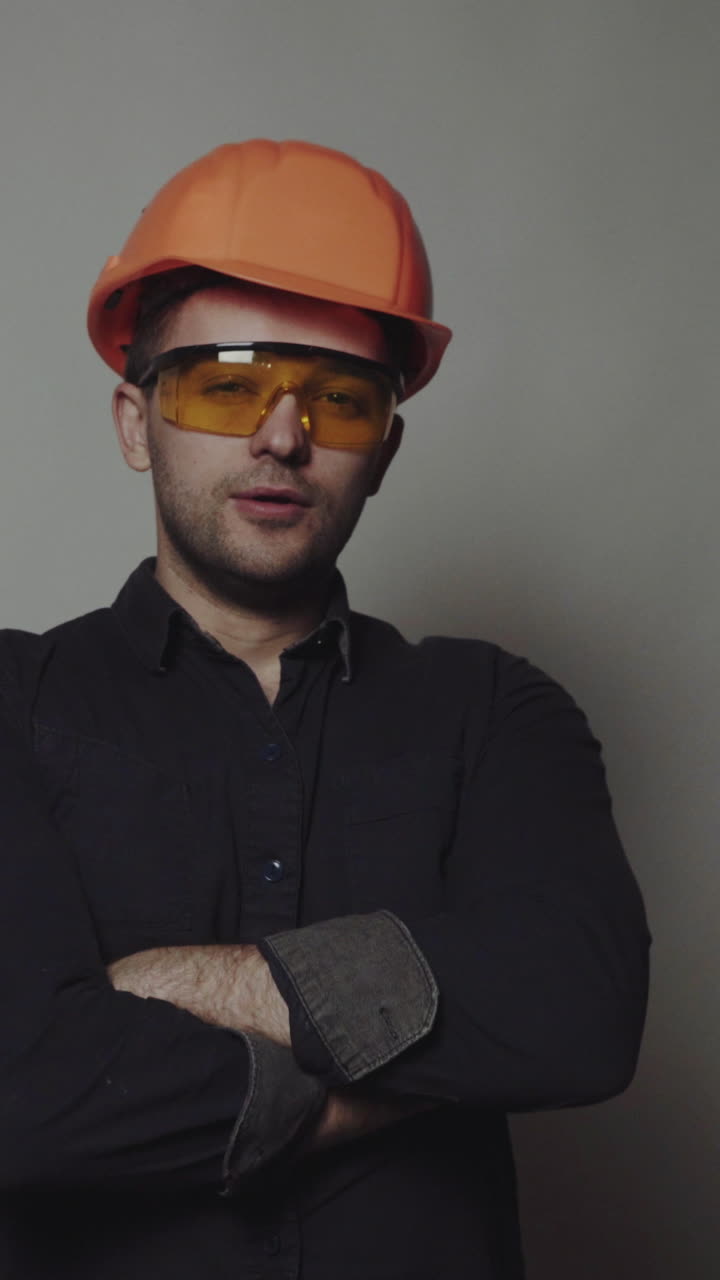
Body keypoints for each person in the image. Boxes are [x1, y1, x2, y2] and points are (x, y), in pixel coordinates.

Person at [0, 139, 649, 1280]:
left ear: (384, 452)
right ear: (134, 420)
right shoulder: (11, 702)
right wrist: (423, 1061)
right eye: (227, 380)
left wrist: (179, 988)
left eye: (341, 399)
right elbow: (20, 1095)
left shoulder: (497, 709)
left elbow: (582, 1005)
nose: (283, 435)